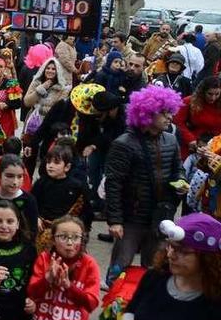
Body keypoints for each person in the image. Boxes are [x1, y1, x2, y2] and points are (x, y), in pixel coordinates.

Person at [105, 86, 187, 285]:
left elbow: (179, 170)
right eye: (164, 113)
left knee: (154, 271)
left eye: (171, 112)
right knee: (119, 270)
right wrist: (115, 220)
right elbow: (113, 183)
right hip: (131, 219)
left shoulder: (170, 139)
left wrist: (182, 183)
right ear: (147, 113)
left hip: (160, 218)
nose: (170, 117)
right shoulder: (124, 143)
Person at [32, 145, 94, 251]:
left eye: (56, 163)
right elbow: (32, 203)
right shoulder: (41, 183)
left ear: (67, 167)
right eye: (48, 162)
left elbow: (87, 212)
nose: (50, 166)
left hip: (68, 229)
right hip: (43, 229)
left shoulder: (77, 186)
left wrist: (80, 229)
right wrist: (36, 217)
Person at [173, 76, 221, 158]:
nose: (213, 98)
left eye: (217, 94)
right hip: (193, 147)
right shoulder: (189, 101)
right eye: (210, 94)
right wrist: (190, 139)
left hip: (217, 149)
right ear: (203, 92)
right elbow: (178, 122)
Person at [0, 56, 23, 158]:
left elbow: (18, 103)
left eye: (1, 67)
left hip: (5, 121)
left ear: (4, 69)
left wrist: (6, 105)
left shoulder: (10, 84)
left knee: (3, 148)